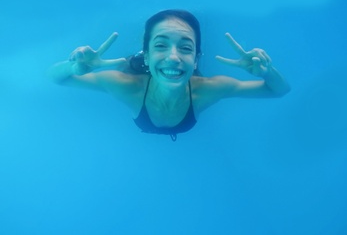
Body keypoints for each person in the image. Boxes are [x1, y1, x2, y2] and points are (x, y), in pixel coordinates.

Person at [48, 9, 290, 141]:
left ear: (196, 58)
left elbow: (280, 90)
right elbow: (56, 76)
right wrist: (74, 67)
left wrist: (268, 71)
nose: (174, 57)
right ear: (147, 55)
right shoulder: (125, 86)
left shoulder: (208, 89)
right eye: (161, 45)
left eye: (186, 48)